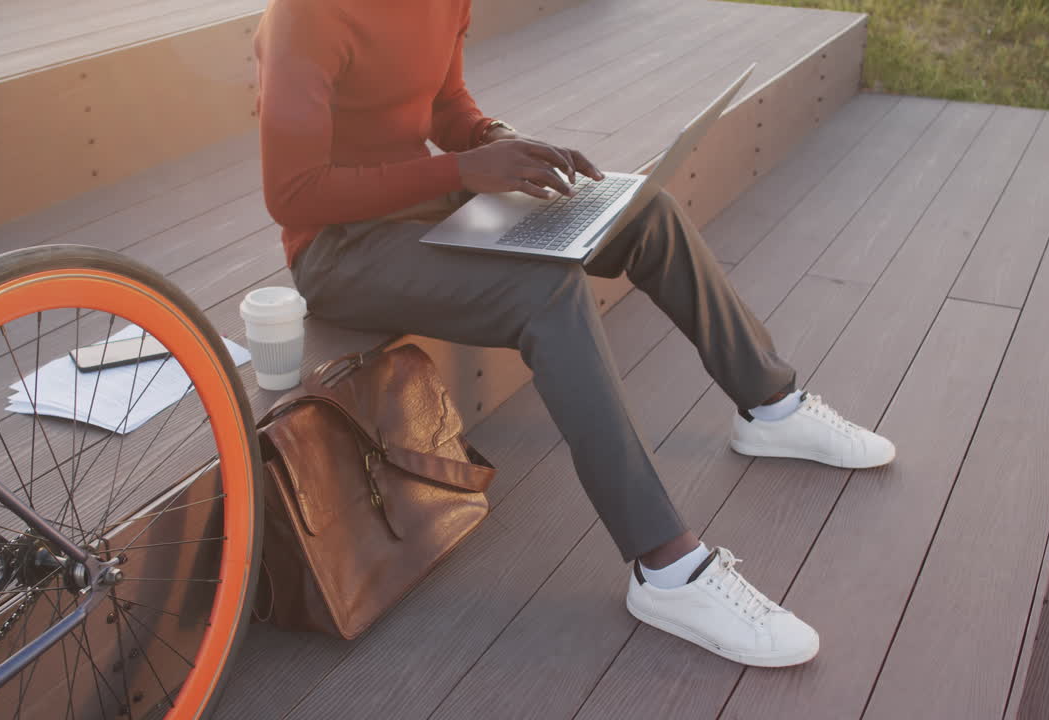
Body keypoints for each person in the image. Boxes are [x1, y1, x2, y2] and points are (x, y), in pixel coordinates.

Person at [253, 0, 895, 668]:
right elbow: (294, 195)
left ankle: (771, 406)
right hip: (341, 250)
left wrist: (498, 140)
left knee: (646, 210)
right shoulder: (308, 13)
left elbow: (444, 103)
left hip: (427, 202)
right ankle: (668, 571)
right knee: (546, 294)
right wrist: (461, 172)